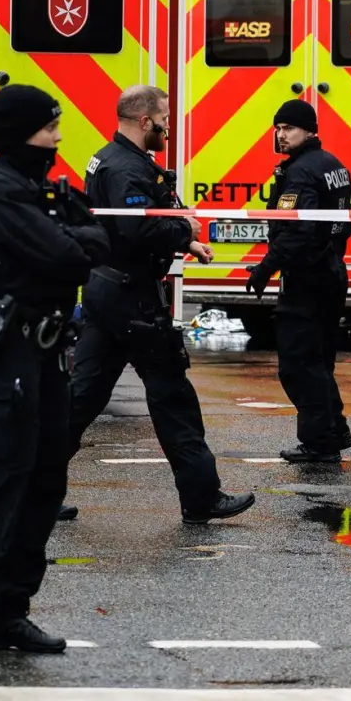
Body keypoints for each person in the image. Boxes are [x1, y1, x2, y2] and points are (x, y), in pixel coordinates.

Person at [0, 85, 109, 665]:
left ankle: (10, 612)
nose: (58, 137)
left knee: (45, 486)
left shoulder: (44, 189)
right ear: (21, 133)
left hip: (46, 357)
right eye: (49, 128)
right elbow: (68, 255)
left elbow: (95, 241)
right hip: (5, 358)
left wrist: (76, 235)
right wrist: (75, 237)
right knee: (2, 486)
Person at [66, 85, 253, 524]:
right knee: (173, 396)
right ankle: (202, 497)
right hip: (131, 297)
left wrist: (185, 236)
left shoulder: (110, 160)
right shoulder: (127, 170)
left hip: (106, 291)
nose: (169, 125)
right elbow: (137, 233)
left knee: (81, 398)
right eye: (164, 118)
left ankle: (30, 493)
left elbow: (148, 219)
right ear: (145, 121)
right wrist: (181, 230)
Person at [245, 100, 351, 465]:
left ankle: (321, 442)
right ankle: (332, 432)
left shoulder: (302, 172)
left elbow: (298, 232)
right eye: (277, 128)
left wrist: (266, 267)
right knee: (319, 362)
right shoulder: (333, 166)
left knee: (298, 364)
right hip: (331, 273)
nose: (281, 135)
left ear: (309, 130)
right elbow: (346, 224)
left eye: (288, 128)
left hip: (308, 279)